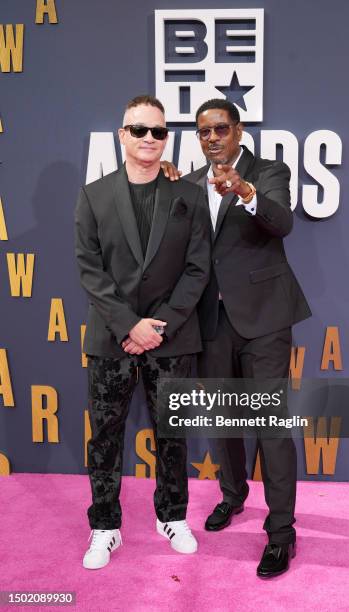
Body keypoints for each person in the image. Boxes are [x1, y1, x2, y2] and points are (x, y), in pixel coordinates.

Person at [75, 95, 211, 569]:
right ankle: (105, 526)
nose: (149, 139)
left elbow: (197, 270)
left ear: (166, 138)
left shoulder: (189, 196)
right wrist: (128, 324)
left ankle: (172, 515)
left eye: (157, 131)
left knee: (172, 434)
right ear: (122, 135)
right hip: (111, 336)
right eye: (139, 130)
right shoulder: (93, 195)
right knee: (105, 437)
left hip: (171, 337)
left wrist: (159, 326)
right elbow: (90, 270)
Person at [183, 99, 312, 578]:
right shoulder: (193, 184)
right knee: (222, 422)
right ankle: (233, 497)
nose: (212, 137)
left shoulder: (268, 171)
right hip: (212, 323)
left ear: (237, 130)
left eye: (220, 128)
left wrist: (242, 189)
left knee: (270, 427)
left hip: (265, 319)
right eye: (203, 132)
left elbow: (281, 221)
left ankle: (281, 533)